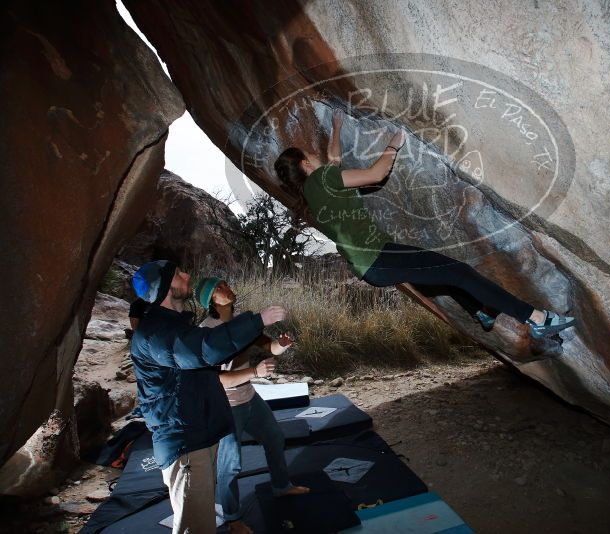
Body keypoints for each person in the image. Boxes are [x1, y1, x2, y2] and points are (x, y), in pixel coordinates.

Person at [273, 110, 576, 339]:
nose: (314, 154)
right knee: (459, 272)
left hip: (376, 260)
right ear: (304, 163)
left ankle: (481, 311)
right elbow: (375, 175)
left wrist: (337, 127)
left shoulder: (313, 195)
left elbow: (334, 160)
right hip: (379, 258)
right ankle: (536, 319)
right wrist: (393, 145)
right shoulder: (323, 179)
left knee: (439, 270)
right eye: (308, 154)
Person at [129, 260, 287, 534]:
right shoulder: (157, 334)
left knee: (203, 521)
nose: (187, 274)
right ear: (165, 287)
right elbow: (205, 351)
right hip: (185, 443)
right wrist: (257, 321)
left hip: (202, 433)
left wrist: (260, 336)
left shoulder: (178, 329)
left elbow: (214, 359)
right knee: (197, 527)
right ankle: (233, 517)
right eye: (178, 274)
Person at [194, 277, 310, 534]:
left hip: (249, 397)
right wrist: (255, 372)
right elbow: (215, 379)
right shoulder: (207, 331)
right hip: (226, 407)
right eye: (219, 288)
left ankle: (281, 486)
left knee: (274, 438)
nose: (226, 288)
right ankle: (233, 519)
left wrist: (283, 343)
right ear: (211, 300)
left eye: (225, 283)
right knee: (230, 465)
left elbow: (269, 347)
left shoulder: (243, 322)